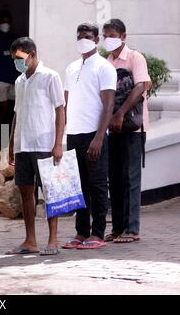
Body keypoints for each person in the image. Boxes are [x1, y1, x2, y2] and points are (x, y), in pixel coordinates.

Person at [7, 37, 66, 256]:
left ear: (32, 54)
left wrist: (58, 143)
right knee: (25, 191)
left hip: (44, 143)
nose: (17, 62)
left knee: (49, 191)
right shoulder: (19, 81)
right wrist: (12, 142)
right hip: (24, 143)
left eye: (20, 58)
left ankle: (52, 240)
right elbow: (17, 112)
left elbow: (60, 110)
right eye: (14, 58)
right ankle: (30, 240)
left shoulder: (51, 76)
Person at [62, 23, 116, 250]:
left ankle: (97, 233)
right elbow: (65, 104)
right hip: (73, 134)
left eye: (87, 36)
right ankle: (81, 232)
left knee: (97, 185)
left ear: (96, 40)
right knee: (78, 187)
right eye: (79, 36)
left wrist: (99, 137)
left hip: (93, 135)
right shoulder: (71, 68)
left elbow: (108, 105)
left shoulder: (104, 67)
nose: (83, 39)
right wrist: (63, 135)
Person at [102, 19, 152, 244]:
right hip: (113, 128)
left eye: (111, 34)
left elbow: (140, 86)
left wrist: (120, 113)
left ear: (123, 36)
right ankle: (118, 227)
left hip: (132, 127)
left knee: (131, 178)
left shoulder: (135, 58)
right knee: (115, 178)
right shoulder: (107, 61)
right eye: (105, 35)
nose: (107, 39)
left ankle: (132, 229)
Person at [0, 10, 20, 150]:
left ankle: (10, 140)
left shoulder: (15, 38)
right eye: (3, 21)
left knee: (13, 111)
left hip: (14, 79)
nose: (5, 24)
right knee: (1, 111)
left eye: (7, 21)